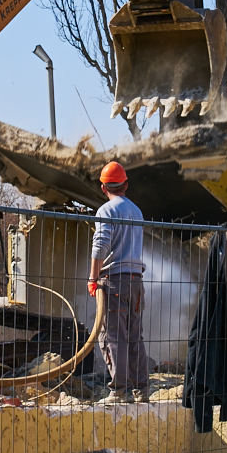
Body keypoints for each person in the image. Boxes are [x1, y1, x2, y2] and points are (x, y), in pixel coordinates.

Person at [88, 160, 150, 403]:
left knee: (113, 336)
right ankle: (141, 390)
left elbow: (101, 245)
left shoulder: (106, 211)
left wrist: (93, 277)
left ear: (103, 188)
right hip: (137, 283)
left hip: (114, 282)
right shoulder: (137, 212)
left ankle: (119, 391)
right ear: (126, 184)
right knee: (135, 336)